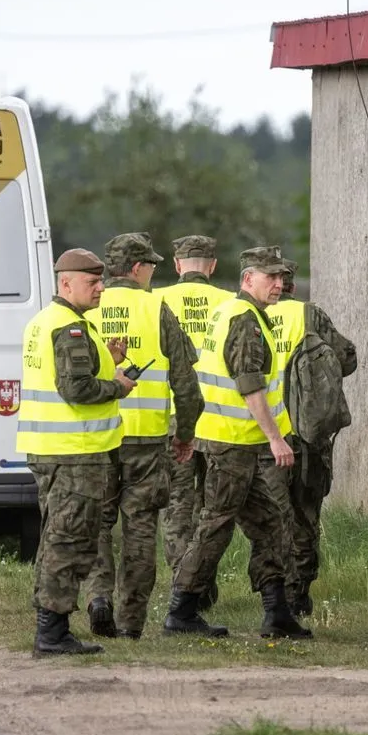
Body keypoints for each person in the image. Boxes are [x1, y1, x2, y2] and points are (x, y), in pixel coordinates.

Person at [163, 246, 311, 640]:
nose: (279, 284)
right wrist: (276, 439)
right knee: (215, 525)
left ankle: (276, 612)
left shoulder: (236, 312)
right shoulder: (245, 319)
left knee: (270, 524)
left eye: (281, 277)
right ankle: (182, 610)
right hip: (232, 445)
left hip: (233, 443)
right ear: (248, 279)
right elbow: (249, 386)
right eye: (270, 277)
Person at [16, 248, 137, 656]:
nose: (101, 288)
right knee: (67, 542)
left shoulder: (46, 322)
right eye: (92, 282)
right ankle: (51, 633)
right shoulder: (69, 328)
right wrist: (118, 387)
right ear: (66, 283)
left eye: (101, 280)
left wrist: (109, 362)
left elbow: (69, 376)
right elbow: (77, 390)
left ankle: (52, 626)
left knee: (57, 538)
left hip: (55, 452)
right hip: (71, 453)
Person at [85, 232, 203, 640]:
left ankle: (99, 595)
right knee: (140, 530)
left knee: (97, 524)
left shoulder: (84, 307)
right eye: (151, 266)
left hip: (95, 440)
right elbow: (186, 384)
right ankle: (130, 623)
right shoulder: (157, 309)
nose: (153, 273)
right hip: (147, 443)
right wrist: (185, 434)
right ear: (137, 269)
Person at [269, 258, 358, 616]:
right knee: (305, 514)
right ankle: (298, 593)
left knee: (269, 517)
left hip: (261, 434)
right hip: (305, 436)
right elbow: (347, 358)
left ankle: (271, 592)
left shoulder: (242, 316)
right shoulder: (309, 316)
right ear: (292, 286)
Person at [156, 235, 234, 606]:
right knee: (212, 508)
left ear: (176, 264)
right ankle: (200, 581)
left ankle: (182, 585)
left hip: (174, 419)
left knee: (178, 505)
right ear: (213, 265)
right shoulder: (231, 303)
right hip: (221, 420)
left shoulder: (157, 302)